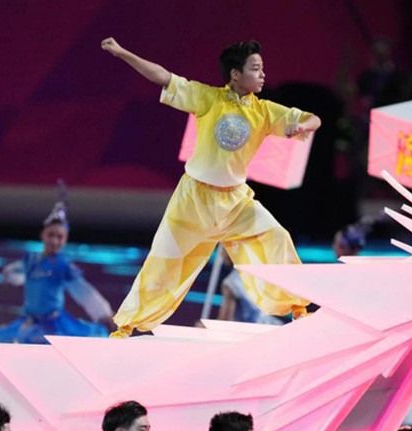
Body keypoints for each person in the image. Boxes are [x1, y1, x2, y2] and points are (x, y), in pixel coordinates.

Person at [100, 37, 321, 338]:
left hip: (235, 203)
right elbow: (162, 76)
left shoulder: (265, 111)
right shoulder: (208, 98)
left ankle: (297, 308)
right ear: (235, 74)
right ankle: (126, 325)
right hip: (193, 201)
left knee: (277, 237)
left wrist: (303, 126)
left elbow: (313, 118)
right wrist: (123, 52)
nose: (262, 74)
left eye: (261, 68)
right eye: (255, 68)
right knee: (163, 260)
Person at [0, 196, 112, 397]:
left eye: (60, 237)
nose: (55, 241)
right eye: (51, 235)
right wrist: (11, 275)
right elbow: (15, 273)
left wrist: (103, 314)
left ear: (65, 240)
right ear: (43, 235)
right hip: (28, 322)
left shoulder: (63, 266)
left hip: (54, 325)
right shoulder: (31, 260)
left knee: (49, 364)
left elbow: (84, 292)